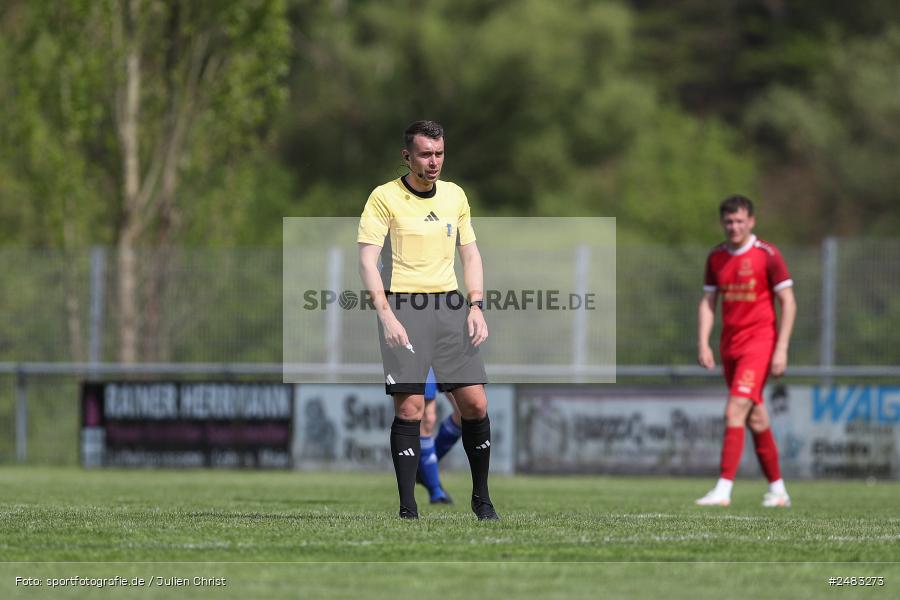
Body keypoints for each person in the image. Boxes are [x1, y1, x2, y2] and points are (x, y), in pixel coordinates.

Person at [357, 120, 498, 520]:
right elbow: (367, 261)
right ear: (407, 156)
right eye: (424, 154)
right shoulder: (384, 198)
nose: (433, 162)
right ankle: (407, 508)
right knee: (411, 410)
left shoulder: (455, 196)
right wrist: (385, 315)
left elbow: (470, 255)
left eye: (438, 154)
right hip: (403, 308)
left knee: (475, 403)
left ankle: (482, 501)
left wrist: (475, 306)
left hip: (451, 309)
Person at [696, 195, 797, 508]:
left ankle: (723, 490)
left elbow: (789, 302)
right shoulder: (716, 258)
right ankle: (778, 491)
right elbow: (709, 302)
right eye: (728, 221)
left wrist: (781, 348)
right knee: (756, 418)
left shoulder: (767, 255)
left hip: (760, 342)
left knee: (734, 410)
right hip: (731, 345)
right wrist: (703, 341)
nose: (734, 226)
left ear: (751, 221)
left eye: (740, 221)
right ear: (722, 222)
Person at [416, 367, 462, 504]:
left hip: (448, 350)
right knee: (427, 419)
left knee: (465, 412)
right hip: (423, 353)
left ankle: (422, 469)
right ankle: (436, 491)